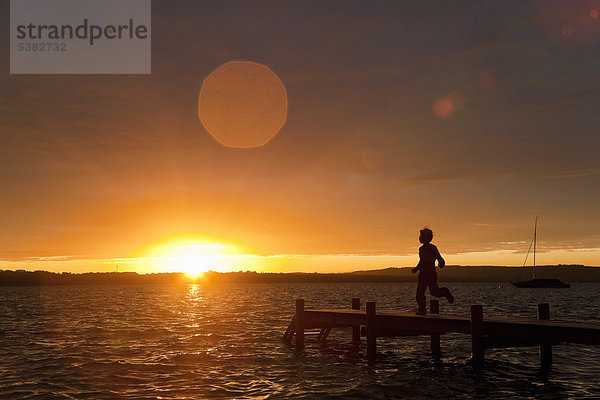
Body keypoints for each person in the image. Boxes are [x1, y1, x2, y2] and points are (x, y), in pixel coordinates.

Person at [411, 227, 454, 315]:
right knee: (430, 292)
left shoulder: (431, 248)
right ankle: (422, 309)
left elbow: (439, 258)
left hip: (427, 273)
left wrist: (441, 263)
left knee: (421, 293)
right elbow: (422, 261)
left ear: (426, 238)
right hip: (428, 272)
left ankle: (422, 310)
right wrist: (416, 269)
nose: (420, 238)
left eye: (421, 236)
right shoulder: (422, 249)